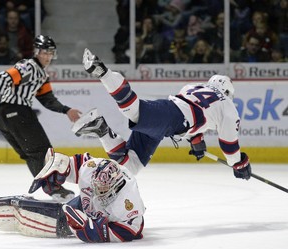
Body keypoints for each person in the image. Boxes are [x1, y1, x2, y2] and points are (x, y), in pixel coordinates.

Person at [72, 48, 252, 180]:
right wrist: (239, 163)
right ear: (228, 92)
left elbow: (195, 112)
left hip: (168, 121)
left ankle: (101, 129)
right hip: (171, 117)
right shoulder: (228, 107)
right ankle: (103, 72)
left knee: (130, 166)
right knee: (133, 111)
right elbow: (229, 145)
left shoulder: (194, 87)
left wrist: (196, 138)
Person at [0, 35, 81, 202]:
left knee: (30, 154)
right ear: (37, 52)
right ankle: (52, 188)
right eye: (45, 52)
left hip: (5, 119)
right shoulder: (29, 67)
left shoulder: (41, 74)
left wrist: (66, 110)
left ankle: (49, 187)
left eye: (51, 53)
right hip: (17, 112)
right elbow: (3, 78)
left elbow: (47, 99)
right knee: (42, 151)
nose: (48, 57)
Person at [0, 147, 145, 243]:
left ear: (115, 185)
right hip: (87, 207)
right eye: (95, 185)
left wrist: (92, 230)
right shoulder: (92, 169)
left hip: (108, 220)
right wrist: (58, 172)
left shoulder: (128, 203)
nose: (96, 190)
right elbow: (70, 164)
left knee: (66, 223)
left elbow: (130, 231)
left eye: (102, 188)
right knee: (63, 216)